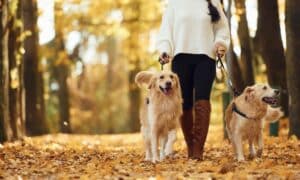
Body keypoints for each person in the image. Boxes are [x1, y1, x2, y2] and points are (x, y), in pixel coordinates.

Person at [156, 0, 230, 160]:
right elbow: (166, 31)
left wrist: (220, 43)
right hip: (180, 57)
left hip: (206, 57)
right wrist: (164, 50)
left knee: (203, 99)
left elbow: (222, 29)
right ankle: (190, 145)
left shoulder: (213, 2)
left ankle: (198, 149)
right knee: (185, 102)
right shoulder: (175, 3)